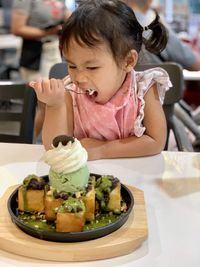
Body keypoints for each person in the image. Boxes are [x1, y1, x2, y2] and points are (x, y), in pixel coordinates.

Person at [30, 0, 172, 160]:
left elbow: (156, 141)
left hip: (135, 178)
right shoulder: (69, 92)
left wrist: (102, 150)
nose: (78, 78)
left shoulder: (143, 89)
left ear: (128, 61)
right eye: (72, 66)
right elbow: (55, 148)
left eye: (92, 68)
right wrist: (55, 105)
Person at [11, 0, 72, 141]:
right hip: (35, 52)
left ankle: (48, 140)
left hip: (54, 50)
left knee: (54, 98)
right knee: (37, 101)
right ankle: (29, 142)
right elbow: (17, 28)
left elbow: (68, 16)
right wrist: (47, 32)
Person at [122, 0, 200, 71]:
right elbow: (196, 64)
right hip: (158, 85)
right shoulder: (159, 31)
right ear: (150, 1)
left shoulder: (113, 29)